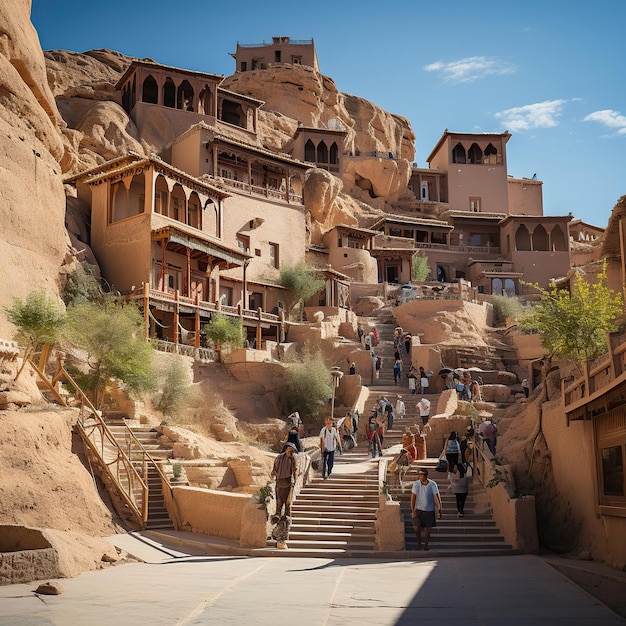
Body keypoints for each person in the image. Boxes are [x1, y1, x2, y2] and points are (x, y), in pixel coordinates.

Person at [411, 468, 442, 550]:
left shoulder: (432, 484)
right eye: (419, 474)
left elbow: (436, 497)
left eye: (421, 474)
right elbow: (413, 497)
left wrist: (439, 509)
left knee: (427, 528)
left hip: (429, 509)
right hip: (418, 509)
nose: (420, 476)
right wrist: (412, 510)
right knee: (416, 526)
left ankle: (426, 544)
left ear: (425, 475)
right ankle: (419, 543)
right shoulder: (416, 484)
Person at [271, 442, 298, 517]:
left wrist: (294, 481)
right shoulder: (279, 458)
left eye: (292, 450)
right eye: (289, 450)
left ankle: (286, 516)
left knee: (287, 502)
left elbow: (294, 470)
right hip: (279, 482)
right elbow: (274, 469)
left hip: (288, 482)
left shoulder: (292, 459)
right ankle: (278, 514)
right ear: (286, 449)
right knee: (279, 501)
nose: (291, 452)